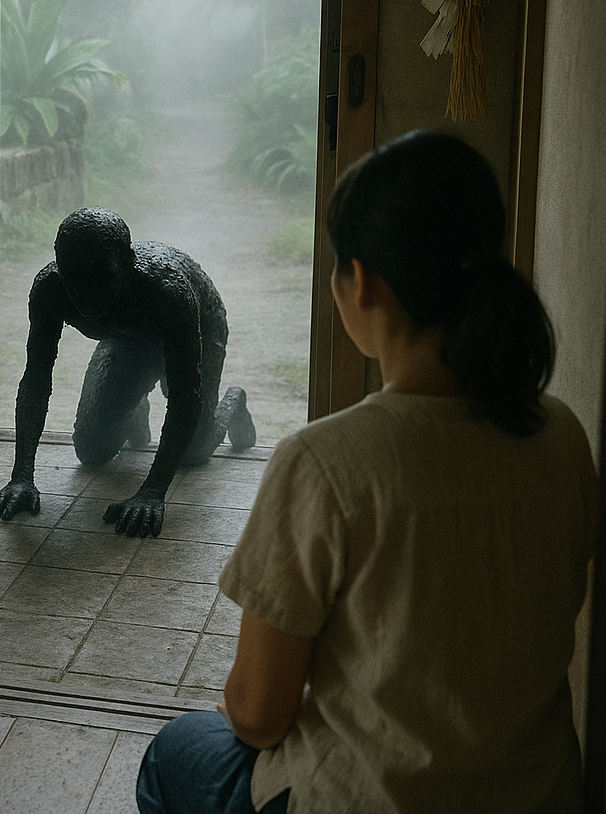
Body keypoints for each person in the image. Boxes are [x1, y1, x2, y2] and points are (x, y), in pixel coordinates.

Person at [136, 130, 599, 813]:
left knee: (175, 751)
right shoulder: (561, 433)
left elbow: (259, 715)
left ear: (363, 281)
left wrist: (241, 704)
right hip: (540, 796)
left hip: (363, 801)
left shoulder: (325, 463)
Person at [0, 206, 257, 538]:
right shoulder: (51, 288)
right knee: (92, 449)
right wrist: (21, 477)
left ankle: (233, 402)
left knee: (194, 450)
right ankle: (134, 406)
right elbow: (35, 380)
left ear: (127, 263)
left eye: (98, 276)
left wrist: (152, 491)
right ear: (59, 264)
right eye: (72, 275)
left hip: (200, 327)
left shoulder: (167, 291)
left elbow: (185, 396)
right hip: (128, 338)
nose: (84, 292)